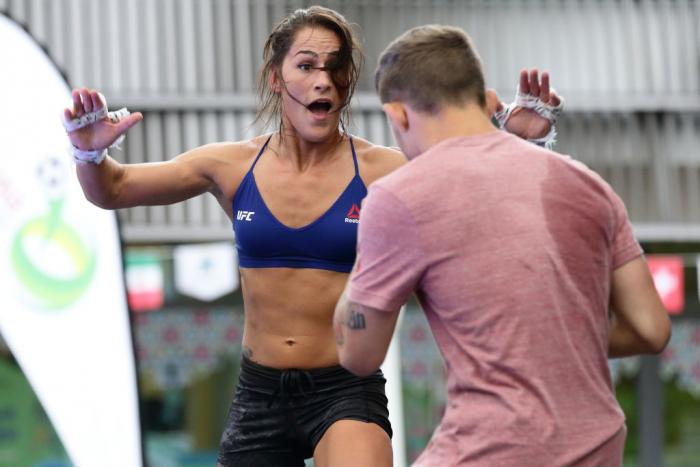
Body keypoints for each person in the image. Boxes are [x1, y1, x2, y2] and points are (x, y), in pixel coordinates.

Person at [62, 7, 561, 467]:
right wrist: (88, 154)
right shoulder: (231, 166)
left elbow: (477, 184)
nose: (323, 80)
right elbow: (114, 188)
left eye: (336, 67)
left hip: (345, 388)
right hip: (259, 394)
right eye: (307, 66)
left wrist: (519, 142)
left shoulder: (383, 168)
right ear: (277, 78)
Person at [333, 25, 671, 467]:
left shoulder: (400, 196)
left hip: (491, 451)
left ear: (397, 115)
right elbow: (651, 328)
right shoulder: (588, 185)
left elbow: (358, 354)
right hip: (599, 448)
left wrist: (365, 252)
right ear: (490, 101)